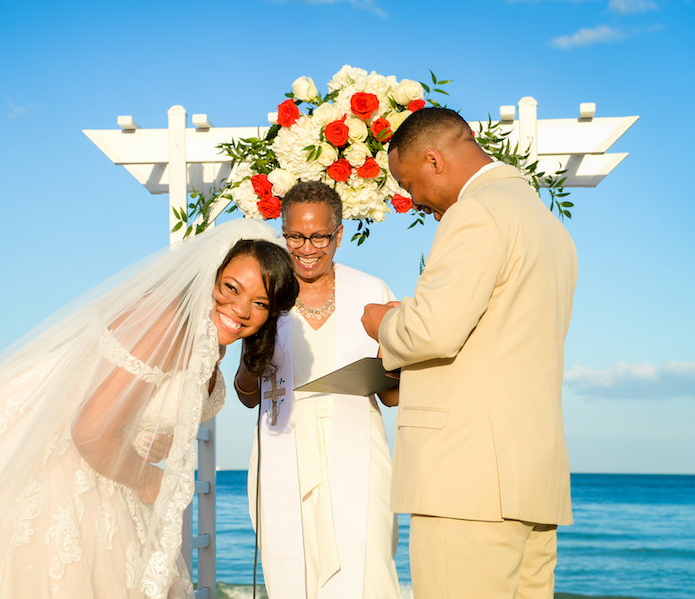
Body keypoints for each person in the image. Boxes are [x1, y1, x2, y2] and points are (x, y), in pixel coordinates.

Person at [0, 219, 299, 599]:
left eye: (260, 303)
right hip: (73, 480)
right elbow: (91, 432)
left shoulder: (207, 340)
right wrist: (150, 480)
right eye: (230, 288)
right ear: (210, 276)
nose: (241, 309)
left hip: (110, 472)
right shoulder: (166, 324)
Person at [361, 107, 577, 599]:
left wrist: (385, 321)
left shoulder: (476, 212)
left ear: (433, 160)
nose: (415, 201)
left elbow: (432, 332)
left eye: (410, 184)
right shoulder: (550, 228)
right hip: (533, 482)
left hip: (466, 482)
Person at [235, 181, 401, 599]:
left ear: (339, 234)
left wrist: (394, 359)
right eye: (295, 236)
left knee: (368, 570)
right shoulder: (266, 293)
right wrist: (254, 349)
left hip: (357, 450)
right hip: (282, 451)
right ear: (282, 232)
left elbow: (393, 396)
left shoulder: (372, 290)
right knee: (290, 572)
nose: (307, 248)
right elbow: (246, 394)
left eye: (319, 236)